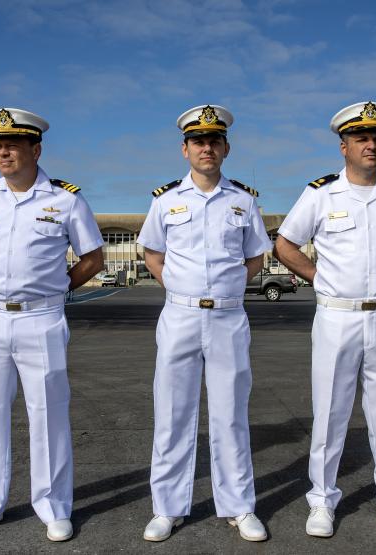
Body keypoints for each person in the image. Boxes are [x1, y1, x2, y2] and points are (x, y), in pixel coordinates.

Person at [273, 101, 376, 540]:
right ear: (343, 146)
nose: (371, 145)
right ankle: (322, 499)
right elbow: (285, 244)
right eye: (361, 138)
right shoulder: (321, 194)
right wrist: (319, 278)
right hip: (337, 317)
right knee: (330, 413)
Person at [0, 107, 105, 542]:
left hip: (42, 318)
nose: (4, 153)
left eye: (13, 146)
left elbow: (93, 257)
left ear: (36, 150)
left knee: (48, 414)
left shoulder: (66, 200)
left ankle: (54, 507)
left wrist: (57, 288)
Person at [136, 105, 272, 543]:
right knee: (172, 414)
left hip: (228, 316)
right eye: (198, 141)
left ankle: (238, 506)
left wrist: (229, 286)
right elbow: (152, 253)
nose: (206, 148)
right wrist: (178, 286)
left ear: (226, 148)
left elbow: (255, 257)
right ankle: (167, 508)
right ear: (185, 149)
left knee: (230, 414)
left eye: (214, 141)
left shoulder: (243, 200)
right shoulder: (165, 200)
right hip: (180, 314)